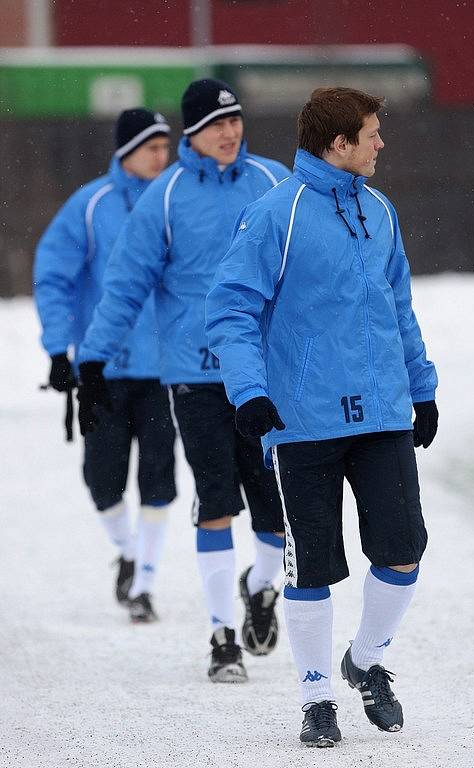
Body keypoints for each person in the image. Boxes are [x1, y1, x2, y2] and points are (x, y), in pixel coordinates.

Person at [206, 86, 438, 745]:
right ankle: (316, 699)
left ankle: (365, 662)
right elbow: (230, 312)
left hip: (384, 413)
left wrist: (421, 388)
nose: (381, 143)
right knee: (310, 568)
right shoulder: (274, 215)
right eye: (371, 133)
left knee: (403, 553)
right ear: (338, 144)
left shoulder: (381, 210)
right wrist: (249, 391)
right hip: (304, 419)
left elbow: (400, 308)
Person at [77, 79, 290, 681]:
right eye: (215, 125)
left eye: (235, 121)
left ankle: (262, 587)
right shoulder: (165, 198)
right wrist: (93, 360)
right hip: (194, 377)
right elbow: (124, 286)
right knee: (216, 502)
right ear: (192, 133)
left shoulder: (273, 183)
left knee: (276, 510)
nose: (229, 133)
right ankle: (223, 636)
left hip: (265, 375)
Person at [33, 108, 177, 623]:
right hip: (104, 371)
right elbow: (54, 278)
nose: (163, 155)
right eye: (152, 147)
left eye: (166, 146)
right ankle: (129, 550)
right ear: (126, 151)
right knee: (103, 480)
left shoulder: (177, 198)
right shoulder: (89, 205)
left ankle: (144, 584)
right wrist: (57, 349)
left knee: (160, 479)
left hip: (167, 371)